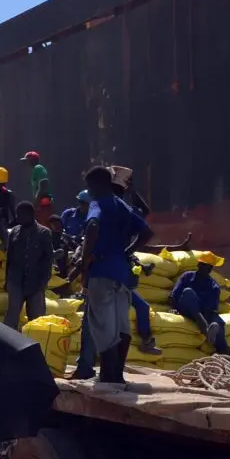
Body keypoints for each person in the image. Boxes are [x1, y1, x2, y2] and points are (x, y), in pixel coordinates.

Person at [78, 165, 153, 388]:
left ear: (98, 184)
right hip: (122, 273)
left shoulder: (98, 203)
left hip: (100, 270)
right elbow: (146, 232)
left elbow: (92, 225)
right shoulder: (122, 205)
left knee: (102, 326)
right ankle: (118, 375)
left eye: (89, 185)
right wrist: (127, 251)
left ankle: (108, 376)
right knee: (122, 326)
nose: (88, 190)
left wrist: (85, 261)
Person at [4, 201, 55, 329]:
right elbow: (9, 258)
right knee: (12, 317)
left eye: (21, 215)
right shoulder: (14, 232)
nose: (18, 218)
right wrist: (7, 281)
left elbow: (48, 259)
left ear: (31, 214)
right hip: (16, 281)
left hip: (36, 283)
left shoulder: (44, 233)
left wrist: (43, 283)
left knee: (37, 321)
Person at [171, 251, 230, 356]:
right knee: (188, 292)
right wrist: (173, 308)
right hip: (185, 309)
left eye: (206, 267)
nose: (204, 268)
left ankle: (224, 352)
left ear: (210, 269)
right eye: (202, 265)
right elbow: (174, 296)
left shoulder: (214, 287)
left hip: (204, 313)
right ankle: (204, 327)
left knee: (218, 322)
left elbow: (211, 308)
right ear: (198, 265)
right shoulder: (187, 276)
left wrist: (212, 320)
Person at [23, 150, 54, 225]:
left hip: (43, 204)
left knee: (44, 225)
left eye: (27, 160)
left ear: (33, 160)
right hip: (41, 203)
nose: (26, 163)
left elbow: (44, 184)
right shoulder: (35, 169)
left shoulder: (38, 168)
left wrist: (36, 203)